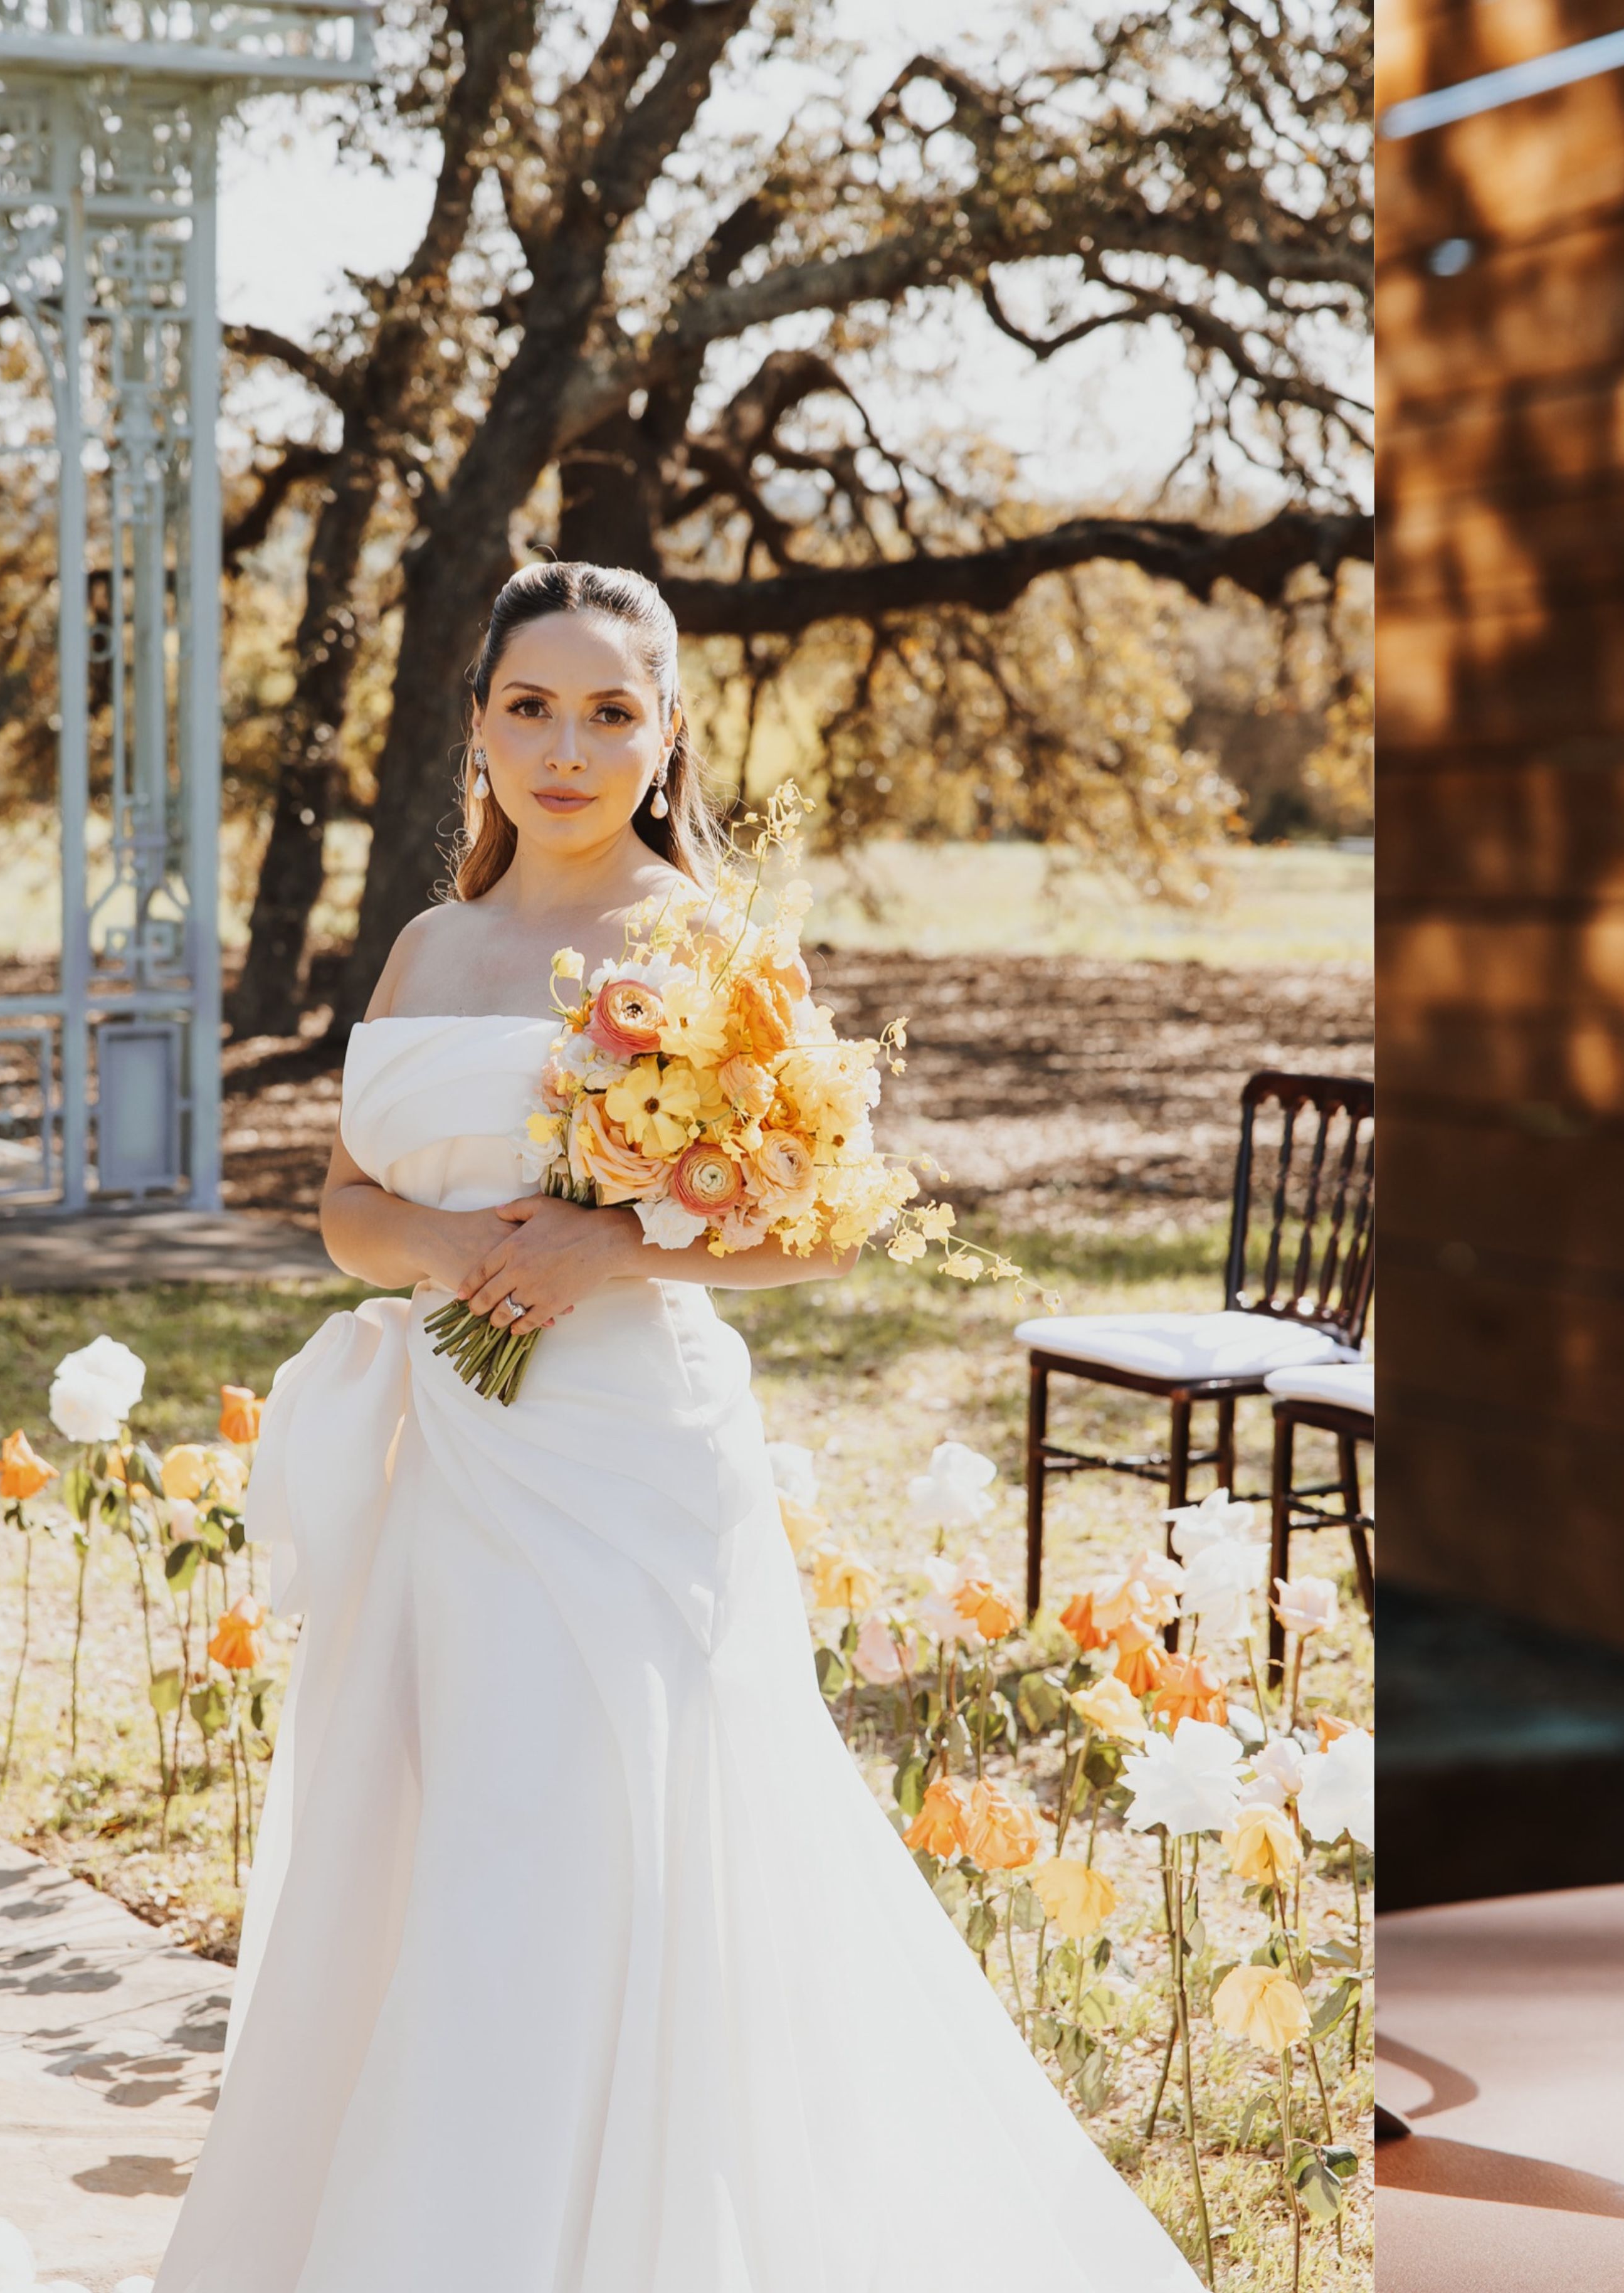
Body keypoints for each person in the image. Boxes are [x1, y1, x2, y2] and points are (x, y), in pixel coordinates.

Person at [154, 563, 1200, 2292]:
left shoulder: (704, 942)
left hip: (624, 1457)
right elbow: (349, 1198)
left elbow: (825, 1216)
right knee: (452, 1836)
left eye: (609, 713)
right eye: (531, 708)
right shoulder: (428, 943)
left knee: (596, 1839)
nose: (567, 749)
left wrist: (607, 1241)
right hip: (455, 1453)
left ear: (668, 737)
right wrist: (447, 1246)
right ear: (477, 725)